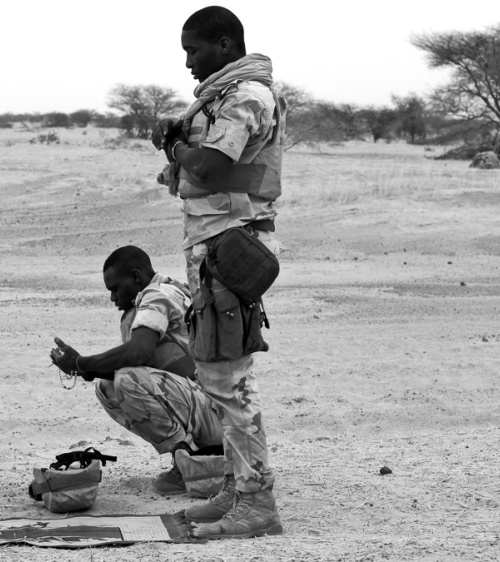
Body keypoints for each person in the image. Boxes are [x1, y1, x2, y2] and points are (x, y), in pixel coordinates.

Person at [149, 6, 286, 539]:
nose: (188, 62)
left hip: (232, 246)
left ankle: (258, 503)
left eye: (194, 50)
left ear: (225, 45)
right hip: (214, 246)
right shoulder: (219, 97)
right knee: (215, 376)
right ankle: (236, 487)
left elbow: (208, 165)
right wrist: (181, 137)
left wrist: (177, 145)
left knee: (231, 381)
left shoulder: (246, 95)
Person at [50, 245, 223, 496]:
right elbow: (151, 365)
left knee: (126, 380)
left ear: (135, 277)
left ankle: (187, 462)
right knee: (107, 386)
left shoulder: (156, 296)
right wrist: (88, 369)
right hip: (211, 408)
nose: (113, 298)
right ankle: (195, 455)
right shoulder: (168, 289)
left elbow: (136, 354)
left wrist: (81, 363)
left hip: (216, 412)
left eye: (115, 289)